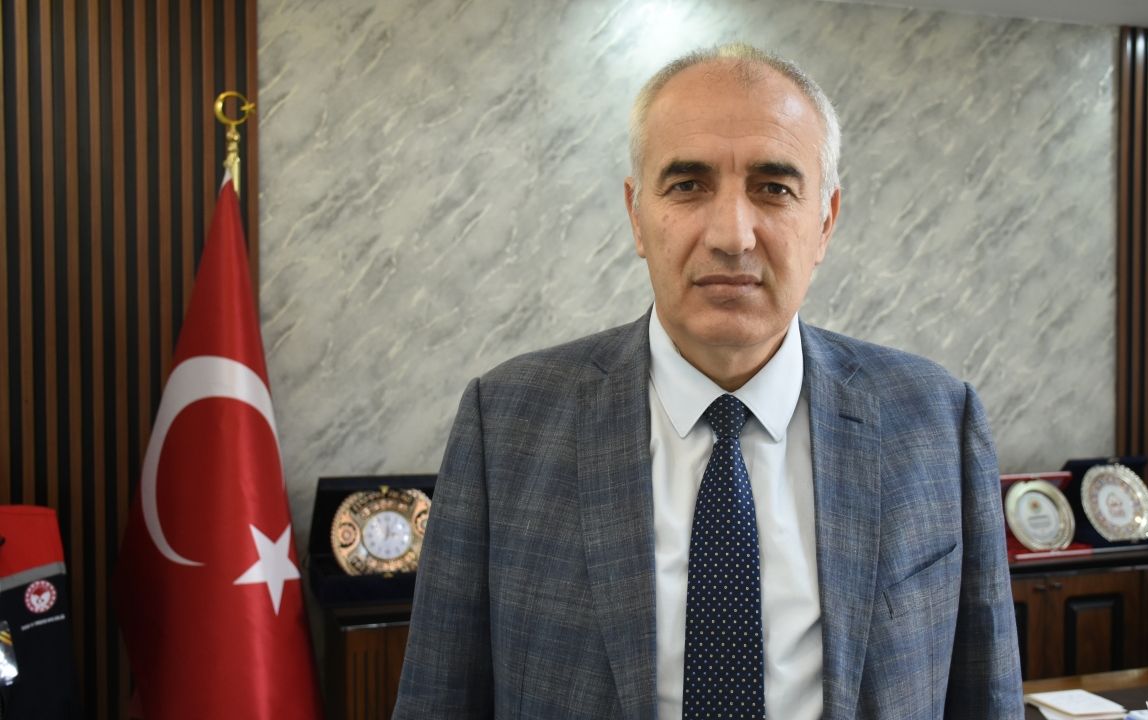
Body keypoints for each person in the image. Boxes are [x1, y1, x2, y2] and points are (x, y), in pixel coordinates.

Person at [393, 43, 1022, 719]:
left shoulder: (935, 421)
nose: (732, 235)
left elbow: (985, 698)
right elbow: (438, 701)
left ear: (825, 222)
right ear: (637, 215)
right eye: (688, 185)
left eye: (773, 188)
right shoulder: (506, 423)